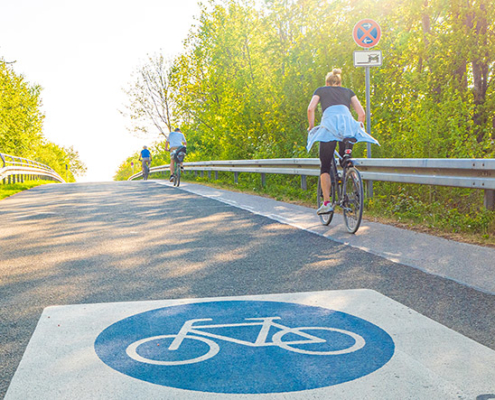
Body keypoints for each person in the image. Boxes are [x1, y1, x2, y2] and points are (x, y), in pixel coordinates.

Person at [307, 68, 379, 215]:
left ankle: (327, 203)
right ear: (340, 83)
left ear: (327, 83)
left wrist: (311, 127)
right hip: (348, 127)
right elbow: (362, 113)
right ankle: (349, 175)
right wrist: (357, 126)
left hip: (329, 128)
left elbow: (310, 109)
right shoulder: (348, 91)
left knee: (325, 165)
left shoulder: (321, 90)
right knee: (345, 158)